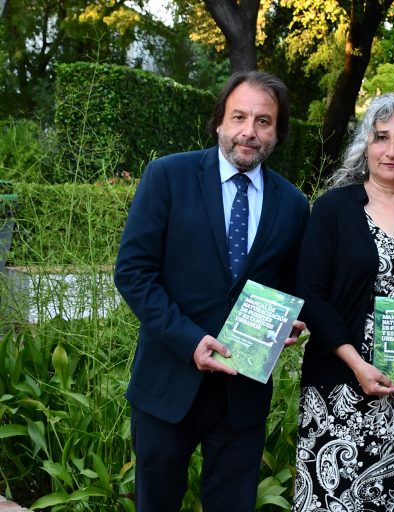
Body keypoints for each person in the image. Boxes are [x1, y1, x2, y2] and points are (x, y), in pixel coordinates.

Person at [113, 70, 309, 511]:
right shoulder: (168, 176)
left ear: (278, 132)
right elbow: (133, 273)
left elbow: (295, 288)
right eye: (239, 116)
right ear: (219, 121)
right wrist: (189, 342)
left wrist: (293, 322)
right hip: (167, 385)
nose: (249, 131)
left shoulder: (293, 205)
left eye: (264, 121)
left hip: (242, 398)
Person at [291, 93, 394, 512]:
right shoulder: (333, 209)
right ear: (365, 144)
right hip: (341, 392)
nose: (391, 150)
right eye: (381, 137)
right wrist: (358, 364)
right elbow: (312, 293)